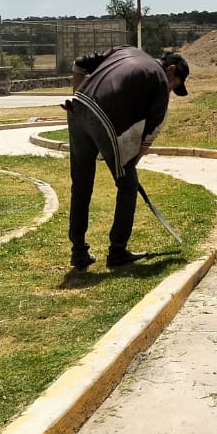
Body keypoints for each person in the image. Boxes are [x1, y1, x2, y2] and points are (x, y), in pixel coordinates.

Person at [64, 46, 189, 269]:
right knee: (128, 186)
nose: (171, 91)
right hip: (102, 118)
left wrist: (80, 101)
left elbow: (80, 63)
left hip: (78, 107)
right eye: (175, 86)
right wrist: (130, 166)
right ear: (171, 70)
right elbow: (148, 137)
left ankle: (78, 251)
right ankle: (117, 251)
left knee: (81, 185)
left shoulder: (126, 50)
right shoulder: (160, 81)